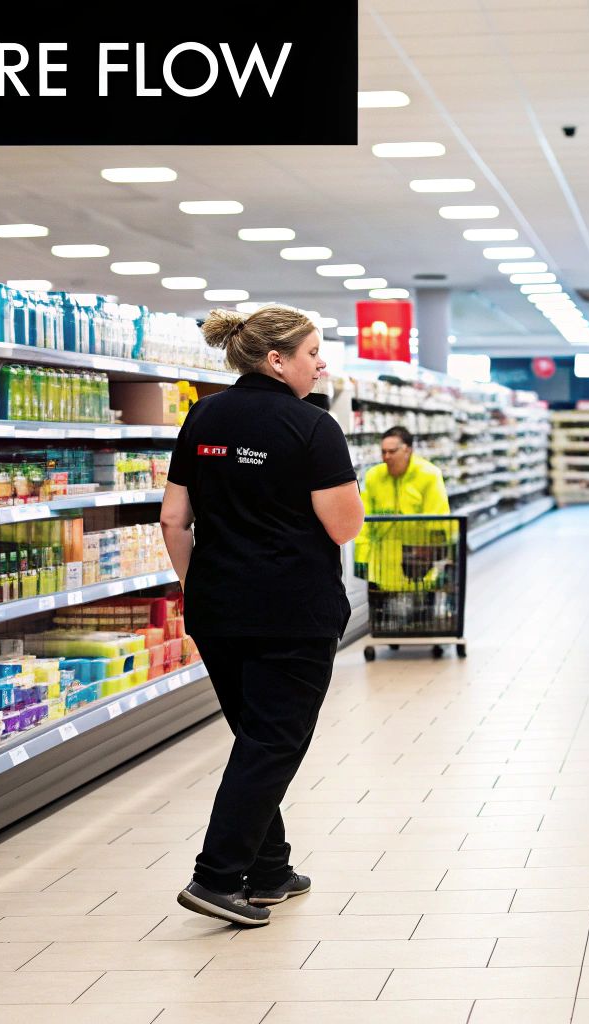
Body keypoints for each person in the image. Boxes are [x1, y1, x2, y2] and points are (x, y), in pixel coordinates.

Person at [160, 305, 364, 928]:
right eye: (312, 353)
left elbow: (173, 519)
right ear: (277, 361)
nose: (321, 363)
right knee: (275, 742)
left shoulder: (202, 416)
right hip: (292, 612)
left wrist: (204, 587)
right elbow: (344, 524)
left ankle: (270, 868)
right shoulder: (313, 426)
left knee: (256, 738)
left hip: (218, 610)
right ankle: (217, 876)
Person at [356, 426, 452, 589]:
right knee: (382, 612)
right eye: (383, 452)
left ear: (407, 450)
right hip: (381, 566)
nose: (386, 457)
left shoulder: (429, 475)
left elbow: (438, 520)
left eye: (392, 452)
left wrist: (437, 555)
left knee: (419, 612)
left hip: (417, 565)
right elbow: (363, 521)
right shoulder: (373, 476)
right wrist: (360, 559)